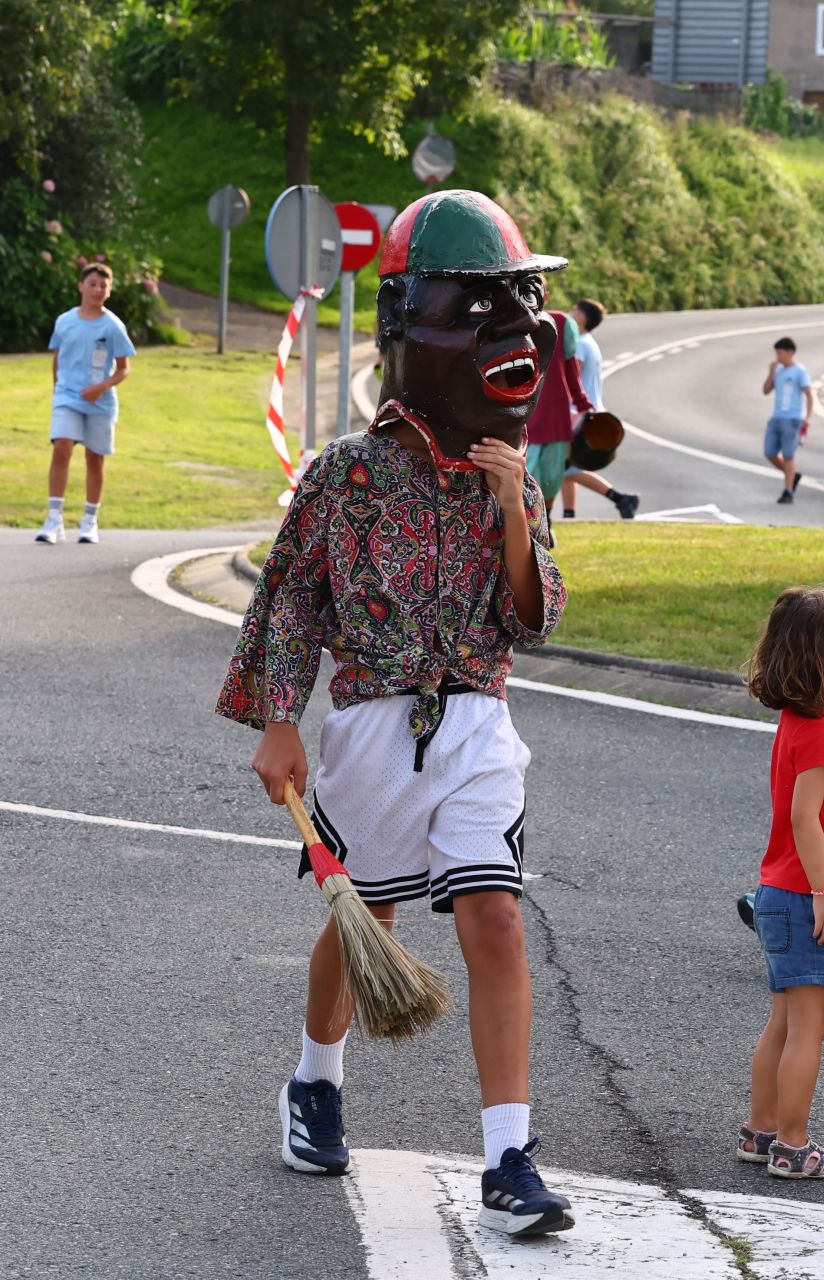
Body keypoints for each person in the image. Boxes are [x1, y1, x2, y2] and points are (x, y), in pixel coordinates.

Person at [215, 189, 576, 1236]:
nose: (511, 328)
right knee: (361, 914)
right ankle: (315, 1078)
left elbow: (536, 616)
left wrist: (512, 503)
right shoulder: (346, 476)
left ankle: (510, 1151)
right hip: (371, 724)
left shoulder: (514, 479)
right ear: (412, 321)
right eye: (479, 305)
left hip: (475, 724)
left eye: (522, 301)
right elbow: (289, 598)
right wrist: (279, 718)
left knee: (495, 916)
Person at [739, 587, 824, 1180]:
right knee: (807, 1032)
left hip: (779, 891)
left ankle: (760, 1131)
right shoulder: (821, 732)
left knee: (784, 1023)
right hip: (803, 895)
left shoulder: (803, 721)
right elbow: (804, 815)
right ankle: (793, 1146)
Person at [36, 263, 134, 545]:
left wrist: (100, 387)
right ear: (81, 286)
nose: (98, 290)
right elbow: (58, 356)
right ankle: (54, 519)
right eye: (92, 284)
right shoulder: (65, 321)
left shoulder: (113, 326)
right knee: (62, 447)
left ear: (109, 290)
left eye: (103, 286)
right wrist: (58, 391)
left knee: (94, 457)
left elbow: (124, 368)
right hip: (67, 397)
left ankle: (89, 521)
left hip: (100, 402)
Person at [559, 297, 639, 520]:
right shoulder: (589, 342)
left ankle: (620, 498)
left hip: (578, 413)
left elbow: (569, 377)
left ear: (582, 318)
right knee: (567, 467)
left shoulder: (579, 344)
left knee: (566, 467)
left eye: (575, 310)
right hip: (590, 410)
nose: (570, 313)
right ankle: (568, 515)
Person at [523, 303, 595, 517]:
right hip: (522, 419)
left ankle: (547, 523)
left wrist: (583, 404)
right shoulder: (508, 323)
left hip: (556, 416)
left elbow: (571, 370)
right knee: (525, 482)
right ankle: (530, 527)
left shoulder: (562, 323)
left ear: (545, 295)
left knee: (552, 479)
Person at [763, 337, 815, 504]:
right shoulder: (778, 370)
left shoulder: (800, 371)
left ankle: (788, 490)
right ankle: (792, 475)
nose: (778, 357)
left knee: (788, 455)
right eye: (776, 353)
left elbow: (808, 394)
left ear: (790, 352)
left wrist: (808, 417)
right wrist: (771, 372)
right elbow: (766, 390)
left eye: (780, 353)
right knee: (769, 452)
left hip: (793, 418)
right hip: (777, 416)